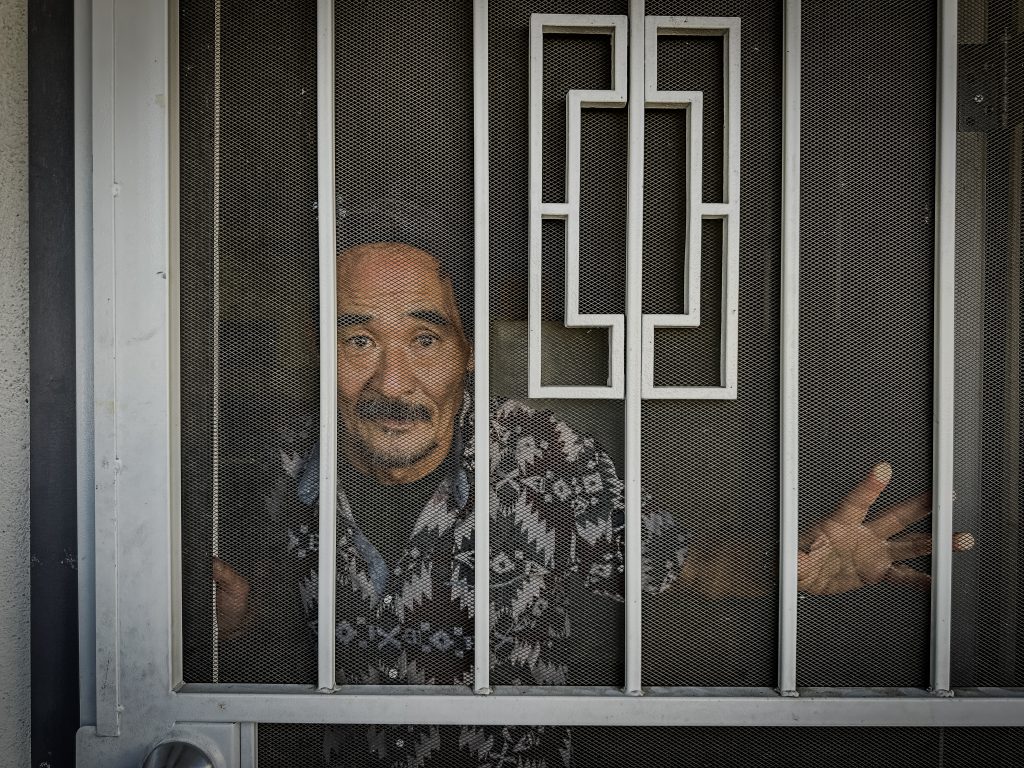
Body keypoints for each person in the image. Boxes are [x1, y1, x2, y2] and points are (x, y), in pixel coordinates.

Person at [212, 241, 973, 767]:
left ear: (467, 354)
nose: (392, 382)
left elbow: (684, 564)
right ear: (320, 353)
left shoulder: (540, 454)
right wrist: (237, 624)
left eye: (424, 339)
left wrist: (797, 566)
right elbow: (275, 615)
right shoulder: (285, 461)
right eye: (357, 343)